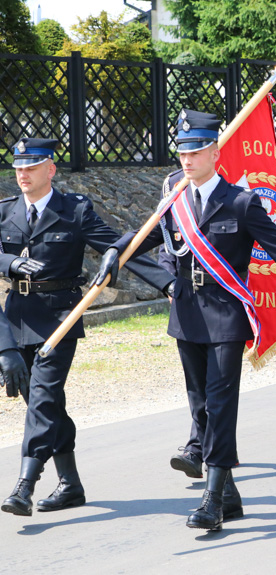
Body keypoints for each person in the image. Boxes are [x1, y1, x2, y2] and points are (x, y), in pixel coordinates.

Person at [95, 110, 276, 531]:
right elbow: (146, 237)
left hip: (227, 314)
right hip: (187, 313)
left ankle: (212, 498)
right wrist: (115, 251)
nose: (186, 160)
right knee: (200, 403)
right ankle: (229, 494)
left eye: (195, 151)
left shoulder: (242, 202)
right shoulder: (175, 198)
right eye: (182, 152)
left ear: (214, 151)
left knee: (221, 401)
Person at [0, 138, 174, 517]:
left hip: (60, 317)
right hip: (15, 320)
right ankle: (71, 484)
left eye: (31, 167)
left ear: (51, 170)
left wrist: (168, 283)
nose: (23, 174)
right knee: (43, 404)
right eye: (18, 167)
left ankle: (24, 485)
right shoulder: (5, 211)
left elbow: (119, 249)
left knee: (43, 398)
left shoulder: (74, 211)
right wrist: (8, 266)